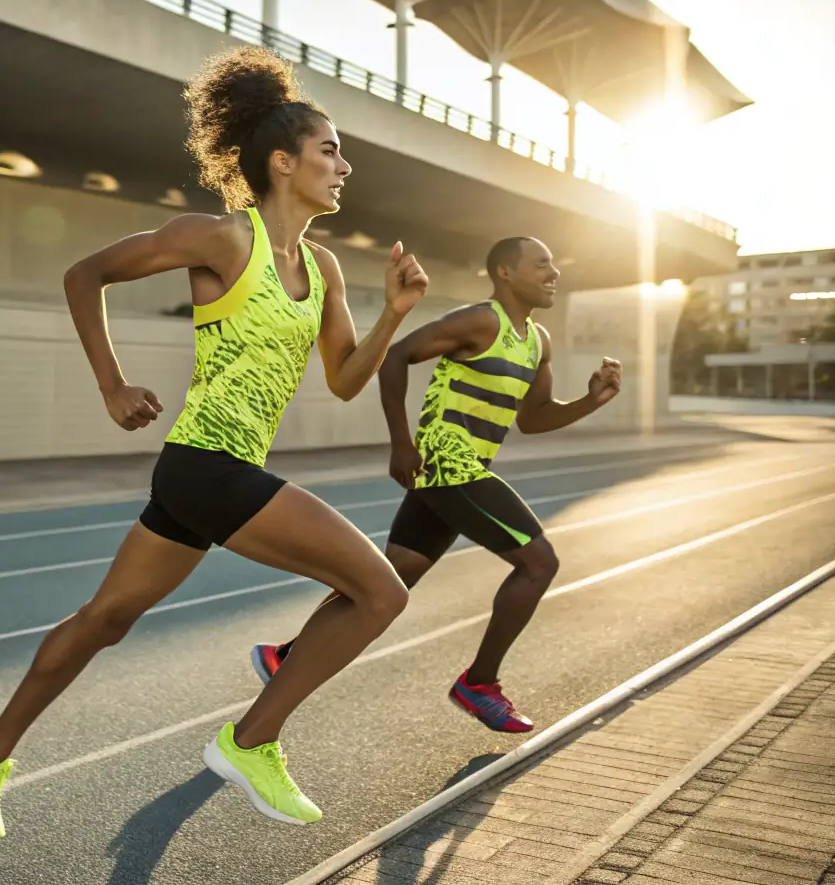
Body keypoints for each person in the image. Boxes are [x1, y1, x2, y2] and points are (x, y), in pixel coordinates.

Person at [0, 46, 428, 840]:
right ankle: (250, 742)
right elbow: (84, 274)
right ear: (283, 162)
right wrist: (111, 384)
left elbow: (343, 378)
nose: (344, 166)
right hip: (206, 466)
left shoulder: (324, 269)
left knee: (105, 619)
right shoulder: (217, 240)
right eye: (330, 150)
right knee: (380, 592)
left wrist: (395, 314)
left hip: (215, 476)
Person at [250, 236, 622, 733]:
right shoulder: (479, 321)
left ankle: (287, 656)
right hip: (448, 463)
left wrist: (591, 401)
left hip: (454, 473)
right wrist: (401, 442)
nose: (554, 273)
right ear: (506, 273)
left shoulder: (538, 341)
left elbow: (532, 420)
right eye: (542, 264)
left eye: (555, 264)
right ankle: (479, 683)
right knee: (538, 564)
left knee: (394, 574)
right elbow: (397, 356)